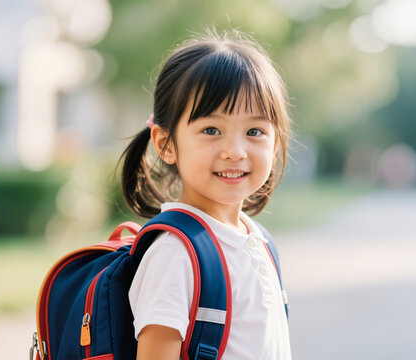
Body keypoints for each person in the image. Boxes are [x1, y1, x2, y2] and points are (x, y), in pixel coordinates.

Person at [119, 27, 292, 360]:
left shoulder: (260, 241)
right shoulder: (174, 254)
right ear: (165, 144)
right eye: (211, 130)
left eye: (255, 131)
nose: (235, 151)